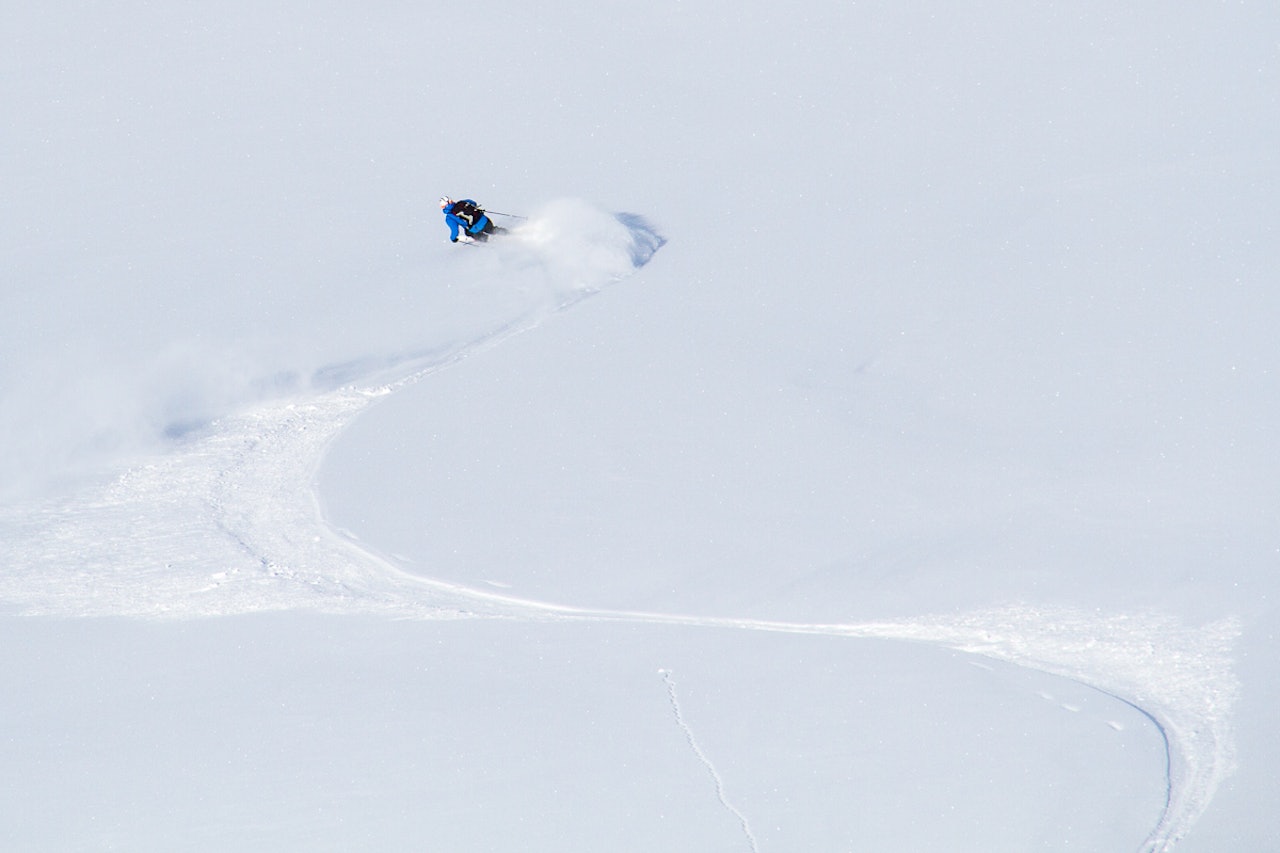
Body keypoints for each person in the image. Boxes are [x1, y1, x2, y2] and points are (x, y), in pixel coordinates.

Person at [440, 197, 504, 243]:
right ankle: (509, 234)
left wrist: (453, 238)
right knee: (493, 230)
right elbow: (473, 203)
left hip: (474, 230)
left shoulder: (449, 218)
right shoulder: (462, 202)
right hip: (484, 220)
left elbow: (455, 230)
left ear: (443, 207)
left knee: (475, 235)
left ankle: (494, 243)